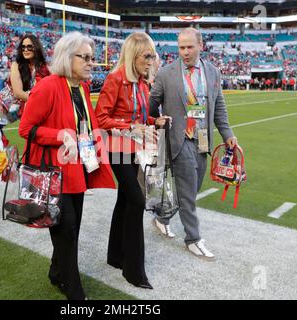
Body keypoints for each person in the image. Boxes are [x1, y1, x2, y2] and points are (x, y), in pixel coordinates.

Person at [18, 32, 115, 300]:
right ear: (66, 57)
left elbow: (86, 125)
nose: (90, 63)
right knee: (67, 228)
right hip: (52, 171)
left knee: (71, 226)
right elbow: (26, 128)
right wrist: (59, 134)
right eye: (84, 57)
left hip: (77, 168)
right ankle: (74, 289)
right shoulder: (48, 85)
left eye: (91, 58)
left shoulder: (82, 88)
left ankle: (56, 272)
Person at [149, 28, 238, 260]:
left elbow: (218, 107)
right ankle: (193, 238)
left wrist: (227, 133)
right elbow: (150, 105)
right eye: (181, 47)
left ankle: (162, 217)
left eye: (189, 47)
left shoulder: (213, 72)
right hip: (179, 140)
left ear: (201, 46)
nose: (185, 52)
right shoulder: (166, 73)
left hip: (203, 139)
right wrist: (154, 124)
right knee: (188, 191)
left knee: (193, 187)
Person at [95, 32, 169, 289]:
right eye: (147, 55)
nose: (151, 60)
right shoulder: (115, 79)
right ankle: (133, 270)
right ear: (133, 55)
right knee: (136, 200)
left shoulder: (141, 82)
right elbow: (100, 119)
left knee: (125, 200)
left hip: (135, 149)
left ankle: (115, 256)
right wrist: (130, 127)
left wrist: (154, 122)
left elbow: (140, 117)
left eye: (153, 55)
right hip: (117, 149)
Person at [10, 34, 50, 104]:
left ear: (36, 47)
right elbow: (18, 93)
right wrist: (41, 102)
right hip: (19, 109)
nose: (25, 50)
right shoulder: (16, 65)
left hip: (37, 109)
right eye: (23, 47)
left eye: (29, 47)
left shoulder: (45, 67)